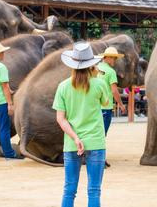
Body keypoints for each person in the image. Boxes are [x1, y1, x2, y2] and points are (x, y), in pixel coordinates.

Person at [53, 42, 110, 207]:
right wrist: (97, 76)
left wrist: (76, 138)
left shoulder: (63, 87)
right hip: (96, 142)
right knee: (94, 190)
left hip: (72, 143)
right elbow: (106, 102)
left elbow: (60, 119)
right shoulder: (99, 84)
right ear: (92, 65)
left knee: (69, 190)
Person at [97, 47, 127, 135]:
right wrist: (121, 105)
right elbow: (114, 91)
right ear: (109, 57)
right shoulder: (111, 72)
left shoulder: (95, 68)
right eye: (115, 58)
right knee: (102, 134)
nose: (115, 60)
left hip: (94, 106)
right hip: (105, 107)